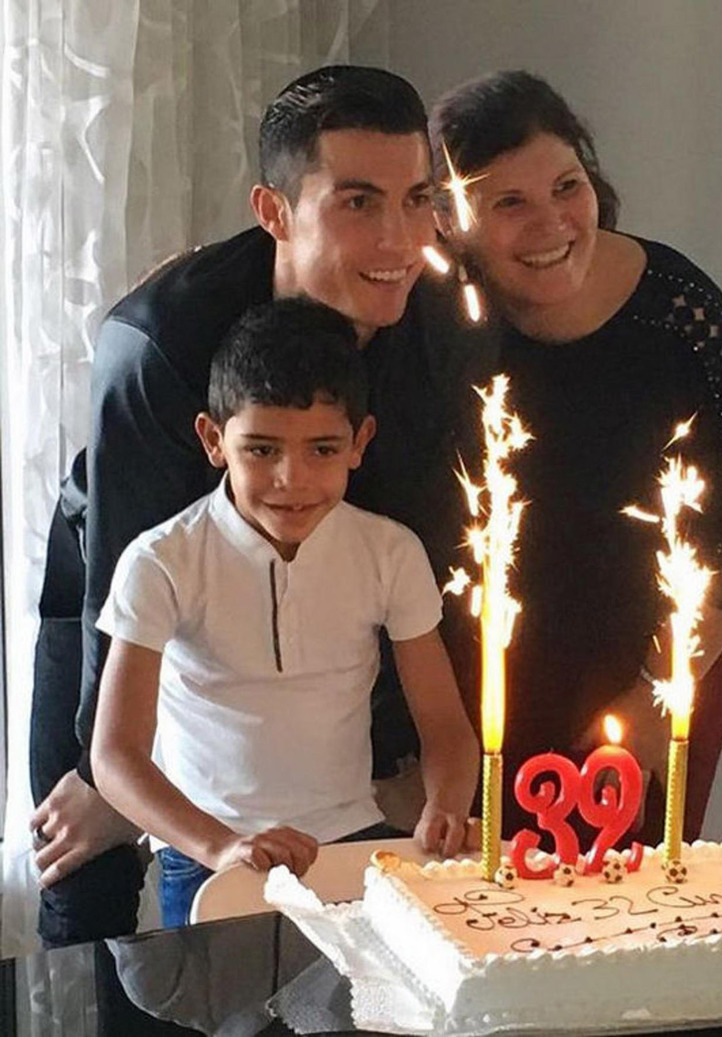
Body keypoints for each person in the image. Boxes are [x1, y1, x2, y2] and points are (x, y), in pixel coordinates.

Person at [29, 64, 488, 947]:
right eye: (358, 202)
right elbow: (126, 560)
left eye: (416, 199)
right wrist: (103, 772)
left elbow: (422, 548)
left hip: (329, 591)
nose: (399, 239)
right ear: (275, 211)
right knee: (83, 856)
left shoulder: (436, 332)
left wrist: (419, 761)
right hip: (118, 575)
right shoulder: (157, 345)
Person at [430, 71, 722, 845]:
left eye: (567, 186)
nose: (551, 224)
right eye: (509, 203)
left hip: (670, 654)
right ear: (450, 220)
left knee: (629, 891)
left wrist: (646, 706)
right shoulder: (433, 322)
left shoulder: (680, 312)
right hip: (477, 679)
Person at [91, 298, 479, 928]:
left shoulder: (390, 551)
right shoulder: (162, 561)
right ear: (214, 440)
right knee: (228, 998)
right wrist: (223, 847)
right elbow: (115, 757)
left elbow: (445, 726)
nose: (291, 479)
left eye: (323, 449)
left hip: (352, 842)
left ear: (360, 442)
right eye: (262, 450)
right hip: (209, 854)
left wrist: (447, 805)